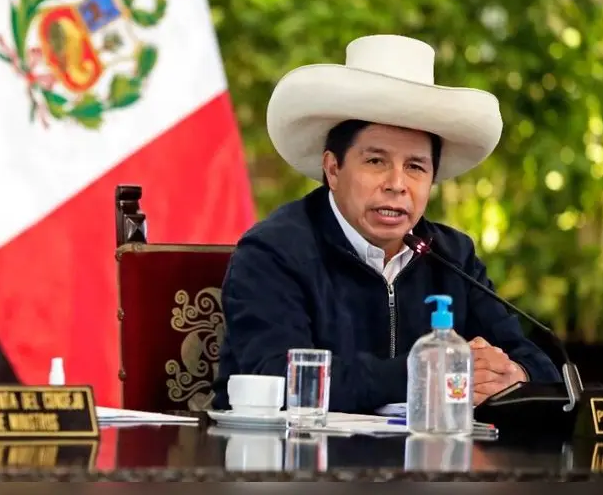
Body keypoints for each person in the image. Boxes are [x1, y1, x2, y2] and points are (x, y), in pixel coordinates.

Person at [212, 34, 559, 413]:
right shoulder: (273, 251)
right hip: (296, 465)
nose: (397, 185)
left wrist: (514, 375)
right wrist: (427, 373)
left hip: (427, 464)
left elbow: (539, 361)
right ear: (333, 168)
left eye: (415, 167)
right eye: (376, 161)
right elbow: (279, 377)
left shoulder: (453, 256)